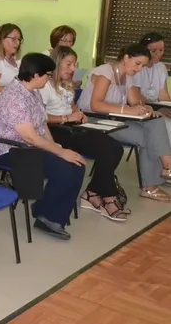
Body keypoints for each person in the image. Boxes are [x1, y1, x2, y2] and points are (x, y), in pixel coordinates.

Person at [0, 53, 86, 240]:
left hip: (30, 148)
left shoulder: (32, 92)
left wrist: (55, 147)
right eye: (48, 75)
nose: (50, 78)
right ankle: (47, 217)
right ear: (35, 75)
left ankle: (48, 212)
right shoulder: (14, 97)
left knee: (77, 164)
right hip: (13, 150)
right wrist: (60, 152)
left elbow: (41, 125)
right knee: (63, 169)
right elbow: (30, 137)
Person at [42, 47, 127, 221]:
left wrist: (78, 113)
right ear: (57, 63)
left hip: (71, 126)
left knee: (115, 148)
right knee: (105, 148)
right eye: (69, 64)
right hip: (54, 129)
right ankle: (108, 197)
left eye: (75, 64)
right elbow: (40, 118)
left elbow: (71, 105)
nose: (73, 68)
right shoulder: (44, 85)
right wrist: (67, 117)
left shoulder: (65, 84)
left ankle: (93, 192)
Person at [78, 44, 171, 203]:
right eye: (138, 63)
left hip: (113, 119)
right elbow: (96, 105)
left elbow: (135, 101)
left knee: (156, 121)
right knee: (150, 137)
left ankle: (161, 173)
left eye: (142, 65)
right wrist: (126, 110)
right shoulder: (105, 72)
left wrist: (147, 108)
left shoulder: (127, 76)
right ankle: (161, 174)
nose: (139, 69)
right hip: (92, 120)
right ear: (126, 58)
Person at [130, 32, 171, 142]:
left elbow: (164, 96)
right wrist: (158, 109)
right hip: (142, 109)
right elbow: (136, 98)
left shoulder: (161, 67)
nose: (158, 54)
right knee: (165, 125)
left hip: (157, 108)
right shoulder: (136, 68)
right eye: (153, 51)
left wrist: (167, 108)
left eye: (161, 50)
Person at [0, 23, 23, 95]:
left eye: (19, 39)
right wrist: (18, 90)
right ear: (2, 39)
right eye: (13, 39)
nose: (17, 43)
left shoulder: (18, 60)